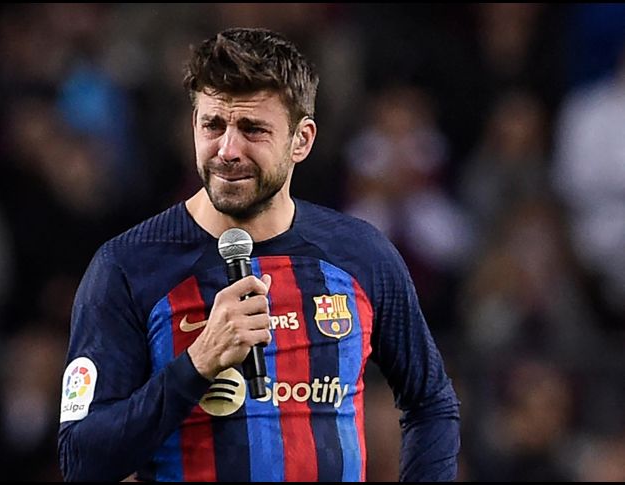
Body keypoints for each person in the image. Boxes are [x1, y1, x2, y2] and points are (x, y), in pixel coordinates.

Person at [58, 27, 460, 482]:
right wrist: (198, 364)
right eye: (213, 125)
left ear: (301, 140)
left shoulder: (361, 255)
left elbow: (431, 404)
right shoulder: (127, 267)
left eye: (253, 129)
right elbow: (82, 460)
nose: (228, 150)